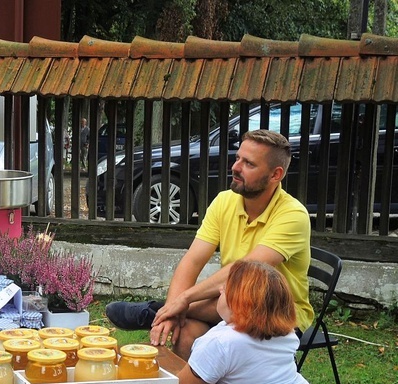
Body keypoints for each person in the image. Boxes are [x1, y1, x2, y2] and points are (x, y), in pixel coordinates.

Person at [106, 129, 314, 360]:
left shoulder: (293, 215)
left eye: (249, 164)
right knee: (185, 332)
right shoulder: (225, 201)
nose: (235, 167)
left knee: (243, 296)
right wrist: (171, 312)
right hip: (228, 304)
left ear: (276, 175)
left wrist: (183, 301)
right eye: (237, 158)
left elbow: (245, 271)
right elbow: (192, 261)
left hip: (278, 313)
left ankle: (154, 310)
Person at [177, 260, 324, 384]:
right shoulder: (285, 332)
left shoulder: (220, 341)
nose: (220, 290)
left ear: (239, 301)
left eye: (227, 288)